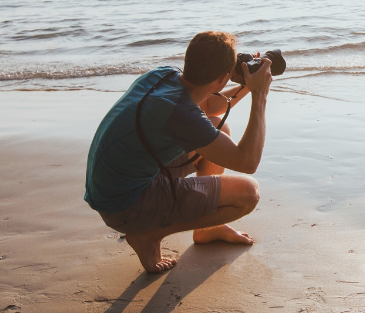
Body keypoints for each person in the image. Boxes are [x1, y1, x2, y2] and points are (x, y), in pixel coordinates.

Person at [83, 31, 272, 273]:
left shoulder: (163, 75)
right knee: (248, 194)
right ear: (224, 78)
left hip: (111, 187)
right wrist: (260, 94)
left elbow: (209, 105)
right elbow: (248, 162)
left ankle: (208, 229)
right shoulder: (179, 113)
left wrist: (247, 85)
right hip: (124, 206)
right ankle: (149, 235)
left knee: (218, 126)